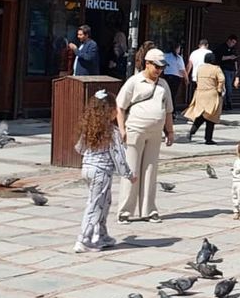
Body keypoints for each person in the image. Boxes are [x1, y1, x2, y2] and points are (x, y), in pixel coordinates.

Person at [115, 48, 176, 223]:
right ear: (147, 63)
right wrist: (122, 129)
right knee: (131, 170)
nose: (159, 70)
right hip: (135, 130)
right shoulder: (134, 81)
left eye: (162, 67)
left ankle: (149, 210)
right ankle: (125, 211)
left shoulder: (163, 85)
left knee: (150, 171)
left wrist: (170, 131)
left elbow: (168, 110)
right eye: (156, 66)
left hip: (155, 133)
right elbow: (120, 106)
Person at [74, 90, 133, 252]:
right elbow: (118, 156)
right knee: (95, 206)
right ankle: (84, 239)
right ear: (111, 112)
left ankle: (101, 235)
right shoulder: (112, 132)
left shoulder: (89, 129)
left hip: (87, 169)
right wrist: (128, 174)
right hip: (101, 172)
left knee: (104, 202)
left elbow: (79, 148)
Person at [184, 51, 225, 145]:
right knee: (211, 116)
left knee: (201, 114)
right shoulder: (216, 68)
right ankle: (208, 138)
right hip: (212, 94)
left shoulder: (200, 68)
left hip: (200, 93)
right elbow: (222, 79)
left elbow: (197, 79)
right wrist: (219, 89)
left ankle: (191, 132)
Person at [213, 35, 239, 108]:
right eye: (232, 42)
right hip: (225, 69)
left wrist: (236, 70)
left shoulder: (233, 49)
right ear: (229, 40)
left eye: (234, 43)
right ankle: (227, 103)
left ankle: (227, 102)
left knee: (229, 86)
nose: (233, 44)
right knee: (227, 86)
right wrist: (230, 57)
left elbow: (236, 60)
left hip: (232, 69)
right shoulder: (221, 47)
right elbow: (219, 57)